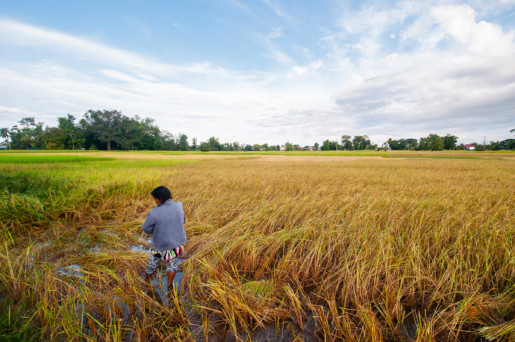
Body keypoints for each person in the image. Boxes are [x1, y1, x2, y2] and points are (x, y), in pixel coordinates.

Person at [142, 185, 186, 289]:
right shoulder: (179, 205)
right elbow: (183, 221)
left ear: (160, 199)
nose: (155, 200)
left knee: (152, 264)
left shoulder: (154, 213)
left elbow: (146, 229)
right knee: (172, 266)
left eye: (155, 198)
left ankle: (146, 282)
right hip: (177, 244)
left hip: (160, 246)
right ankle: (169, 285)